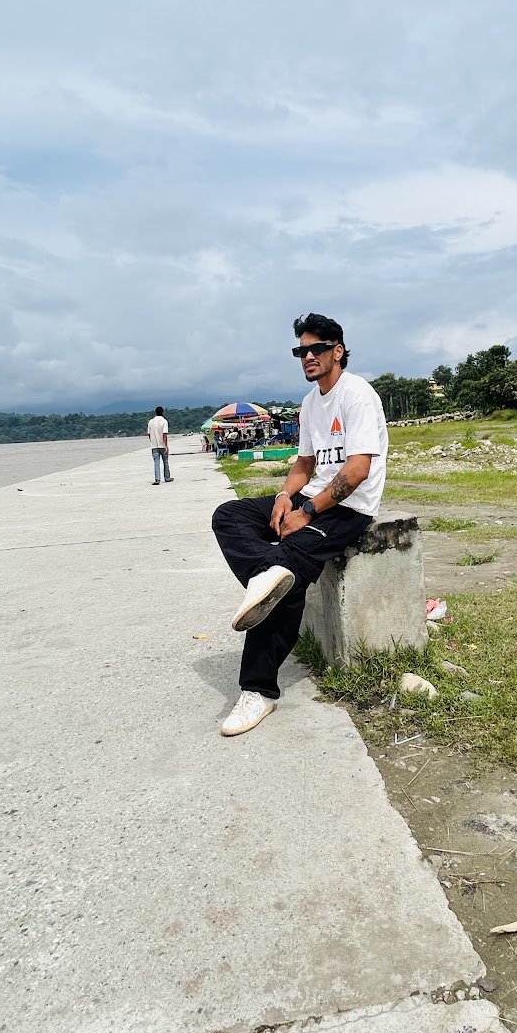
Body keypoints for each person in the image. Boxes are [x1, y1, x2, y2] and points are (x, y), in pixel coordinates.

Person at [211, 312, 387, 737]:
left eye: (315, 349)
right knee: (230, 516)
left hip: (348, 510)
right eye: (300, 351)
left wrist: (306, 513)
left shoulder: (357, 394)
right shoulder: (310, 403)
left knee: (285, 566)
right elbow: (304, 464)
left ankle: (258, 691)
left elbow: (358, 469)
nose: (307, 356)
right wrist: (286, 498)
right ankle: (264, 575)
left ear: (337, 351)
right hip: (309, 501)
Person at [147, 407, 173, 484]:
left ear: (155, 412)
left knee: (156, 462)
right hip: (162, 445)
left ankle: (157, 479)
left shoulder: (151, 422)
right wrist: (166, 446)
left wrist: (152, 441)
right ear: (162, 412)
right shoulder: (164, 421)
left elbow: (149, 434)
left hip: (154, 445)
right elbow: (164, 434)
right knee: (165, 461)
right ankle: (167, 478)